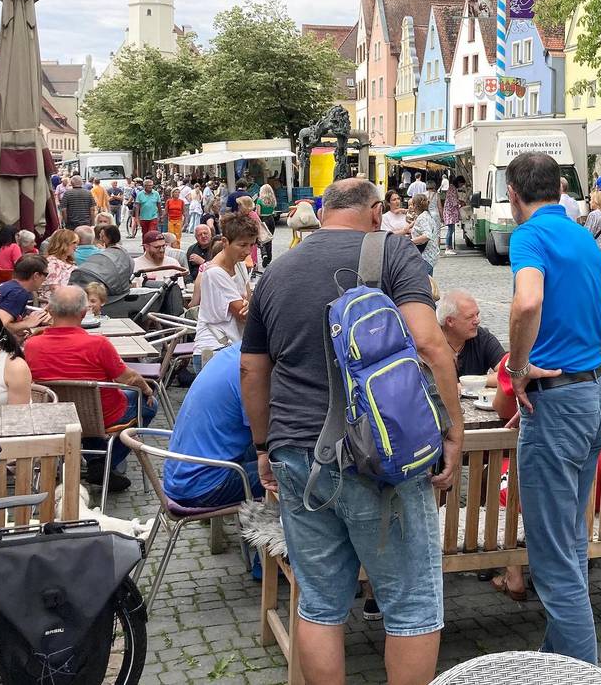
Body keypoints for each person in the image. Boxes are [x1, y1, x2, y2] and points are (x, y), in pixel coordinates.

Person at [241, 178, 463, 685]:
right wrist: (452, 431)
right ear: (376, 210)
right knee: (411, 605)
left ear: (322, 213)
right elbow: (430, 345)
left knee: (319, 602)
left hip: (296, 452)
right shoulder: (393, 253)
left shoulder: (276, 271)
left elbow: (252, 370)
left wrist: (261, 446)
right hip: (381, 457)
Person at [504, 152, 601, 662]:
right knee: (569, 543)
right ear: (561, 186)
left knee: (552, 561)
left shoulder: (530, 235)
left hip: (559, 404)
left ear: (513, 194)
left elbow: (527, 302)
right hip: (595, 396)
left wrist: (519, 366)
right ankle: (556, 664)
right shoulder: (582, 235)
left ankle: (582, 672)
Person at [26, 286, 156, 489]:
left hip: (56, 416)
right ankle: (105, 463)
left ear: (49, 310)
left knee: (96, 407)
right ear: (84, 313)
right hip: (101, 417)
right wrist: (147, 389)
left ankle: (97, 461)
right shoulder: (98, 344)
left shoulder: (32, 345)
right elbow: (128, 378)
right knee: (148, 405)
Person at [163, 342, 265, 508]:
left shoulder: (233, 354)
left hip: (181, 477)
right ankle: (287, 531)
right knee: (295, 474)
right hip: (205, 488)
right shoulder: (254, 370)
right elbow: (270, 432)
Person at [193, 213, 255, 371]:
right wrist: (250, 305)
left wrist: (250, 304)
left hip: (231, 345)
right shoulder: (215, 273)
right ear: (225, 242)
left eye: (251, 245)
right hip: (214, 349)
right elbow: (243, 314)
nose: (248, 251)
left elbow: (250, 300)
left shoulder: (239, 264)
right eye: (242, 245)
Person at [437, 290, 505, 383]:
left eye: (477, 314)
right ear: (450, 321)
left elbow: (507, 374)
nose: (477, 321)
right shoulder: (430, 341)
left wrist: (469, 383)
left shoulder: (483, 337)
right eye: (470, 317)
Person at [0, 254, 49, 337]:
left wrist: (20, 324)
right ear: (36, 275)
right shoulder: (19, 293)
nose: (46, 279)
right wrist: (26, 323)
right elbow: (1, 327)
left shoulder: (6, 286)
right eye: (45, 274)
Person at [409, 193, 440, 276]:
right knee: (428, 284)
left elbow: (427, 235)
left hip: (425, 256)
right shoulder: (426, 215)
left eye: (412, 204)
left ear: (415, 205)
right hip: (430, 256)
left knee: (420, 283)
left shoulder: (422, 218)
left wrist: (409, 241)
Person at [40, 228, 78, 296]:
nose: (76, 246)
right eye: (73, 243)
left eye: (77, 243)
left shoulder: (70, 261)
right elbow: (54, 288)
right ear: (63, 244)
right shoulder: (52, 263)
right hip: (57, 301)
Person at [441, 176, 464, 255]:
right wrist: (461, 203)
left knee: (451, 229)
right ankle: (448, 248)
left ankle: (449, 247)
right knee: (450, 230)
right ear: (458, 182)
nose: (461, 186)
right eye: (461, 184)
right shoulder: (452, 188)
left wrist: (460, 201)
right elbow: (454, 201)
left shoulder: (452, 187)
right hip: (450, 212)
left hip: (450, 212)